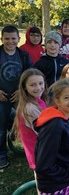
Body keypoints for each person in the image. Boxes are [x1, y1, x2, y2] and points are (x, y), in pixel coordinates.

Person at [0, 25, 32, 169]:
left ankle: (30, 150)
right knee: (0, 127)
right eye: (6, 38)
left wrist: (22, 90)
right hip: (1, 96)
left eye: (13, 38)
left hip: (18, 95)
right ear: (1, 39)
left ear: (19, 39)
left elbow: (30, 75)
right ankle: (2, 154)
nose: (10, 41)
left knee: (26, 122)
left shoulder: (23, 55)